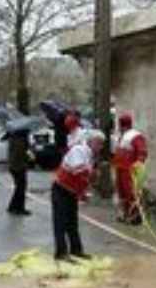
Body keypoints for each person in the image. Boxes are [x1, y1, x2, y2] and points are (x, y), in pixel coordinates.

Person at [51, 130, 105, 262]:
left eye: (102, 144)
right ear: (91, 141)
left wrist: (82, 192)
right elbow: (78, 171)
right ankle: (61, 252)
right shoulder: (79, 150)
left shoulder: (91, 155)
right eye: (99, 143)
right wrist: (90, 178)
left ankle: (76, 249)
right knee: (61, 222)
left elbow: (85, 178)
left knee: (72, 222)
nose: (100, 147)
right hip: (61, 189)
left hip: (71, 191)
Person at [113, 112, 148, 224]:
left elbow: (142, 151)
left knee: (131, 193)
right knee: (122, 192)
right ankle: (125, 213)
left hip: (129, 170)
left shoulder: (135, 135)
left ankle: (135, 216)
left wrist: (138, 164)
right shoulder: (122, 136)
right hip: (120, 168)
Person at [7, 128, 31, 216]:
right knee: (21, 187)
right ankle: (19, 208)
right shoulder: (20, 140)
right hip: (19, 166)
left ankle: (13, 206)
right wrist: (28, 156)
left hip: (14, 166)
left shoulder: (14, 138)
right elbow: (21, 154)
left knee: (19, 187)